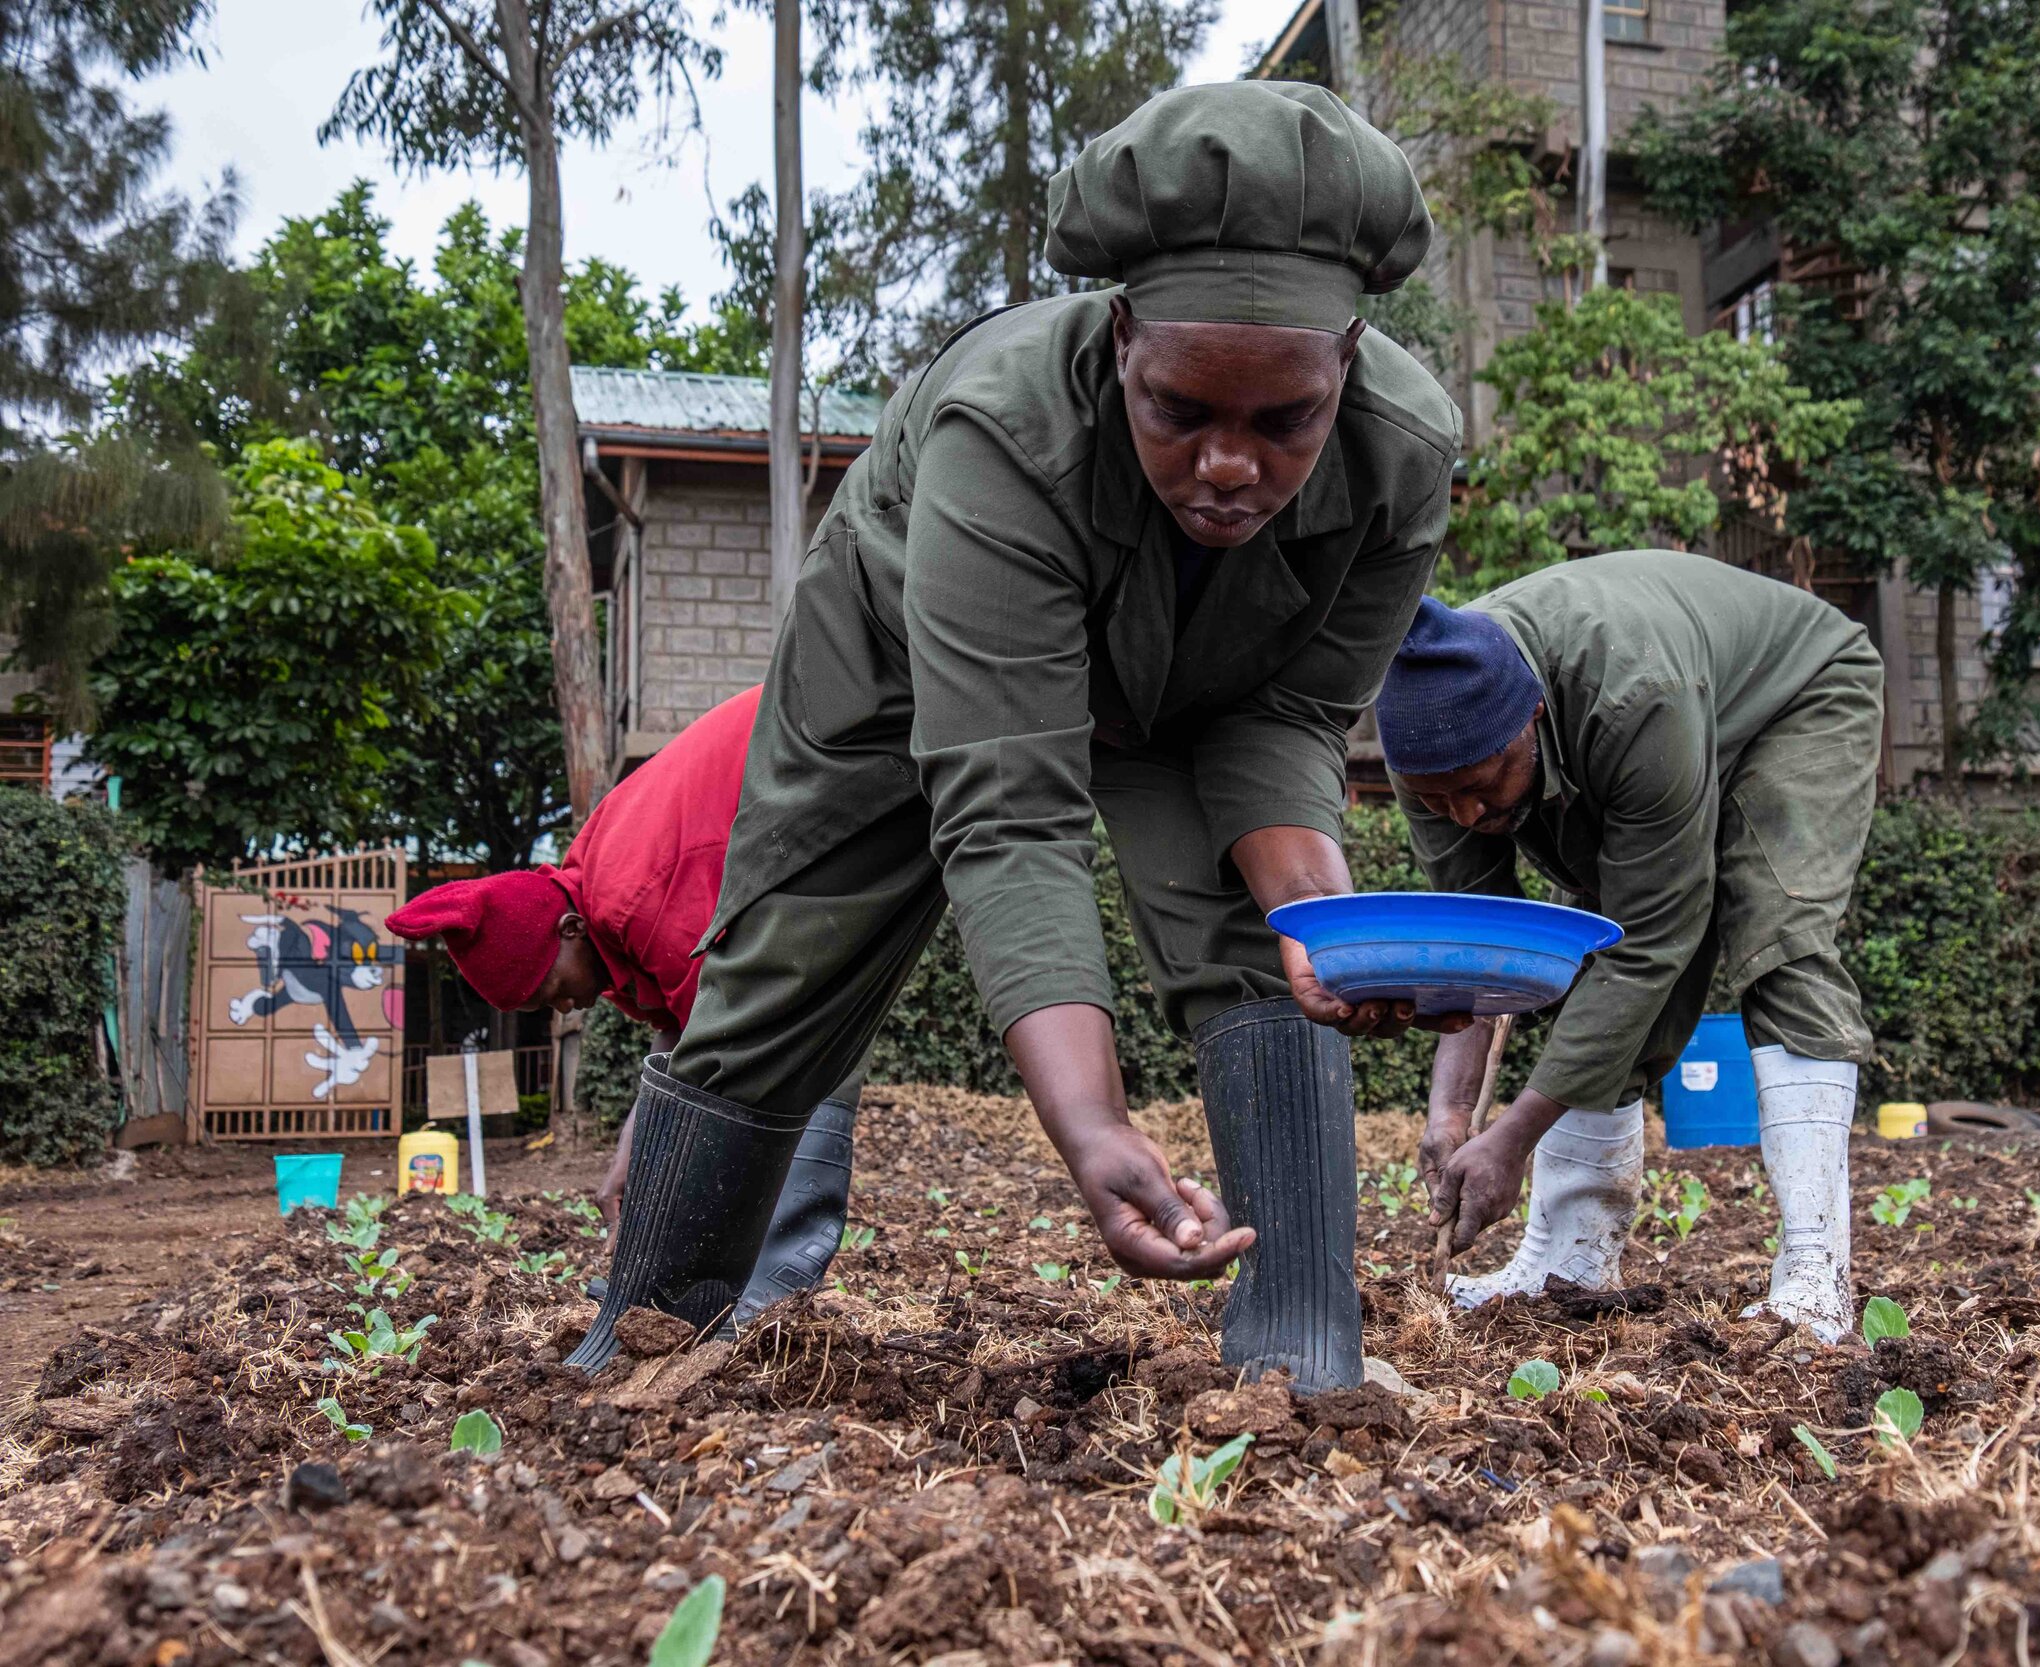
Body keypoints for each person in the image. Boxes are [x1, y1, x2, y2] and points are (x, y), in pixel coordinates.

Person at [570, 80, 1467, 1387]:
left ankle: (1300, 1353)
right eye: (1181, 410)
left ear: (1347, 366)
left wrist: (1317, 915)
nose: (1230, 466)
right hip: (900, 649)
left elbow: (1284, 715)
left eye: (1285, 422)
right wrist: (1088, 1118)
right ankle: (649, 1331)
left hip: (1195, 675)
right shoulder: (1002, 428)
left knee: (1250, 937)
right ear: (1119, 345)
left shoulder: (1406, 456)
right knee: (789, 953)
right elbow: (1012, 809)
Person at [1378, 551, 1883, 1342]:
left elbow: (1653, 942)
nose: (1467, 813)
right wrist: (1448, 1112)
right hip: (1667, 721)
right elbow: (1478, 938)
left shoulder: (1630, 696)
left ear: (1532, 717)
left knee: (1780, 940)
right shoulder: (1437, 748)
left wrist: (1509, 1139)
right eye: (1442, 799)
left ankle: (1817, 1274)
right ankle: (1571, 1260)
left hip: (1795, 696)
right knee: (1593, 966)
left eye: (1484, 783)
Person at [383, 689, 862, 1326]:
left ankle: (774, 1287)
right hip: (817, 771)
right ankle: (711, 1285)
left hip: (843, 734)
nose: (562, 1009)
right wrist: (627, 1159)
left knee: (802, 1042)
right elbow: (681, 1034)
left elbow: (754, 1037)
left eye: (549, 990)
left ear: (571, 930)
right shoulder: (603, 896)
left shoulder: (636, 897)